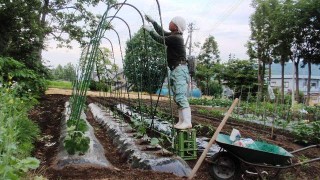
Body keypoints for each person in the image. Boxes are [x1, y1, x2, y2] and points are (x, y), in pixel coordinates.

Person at [143, 15, 192, 130]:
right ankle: (182, 121)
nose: (169, 23)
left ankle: (187, 122)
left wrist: (150, 31)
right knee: (177, 97)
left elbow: (160, 38)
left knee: (180, 96)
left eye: (171, 22)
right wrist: (154, 22)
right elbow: (162, 32)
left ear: (176, 26)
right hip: (176, 69)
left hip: (180, 70)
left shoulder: (176, 38)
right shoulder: (174, 35)